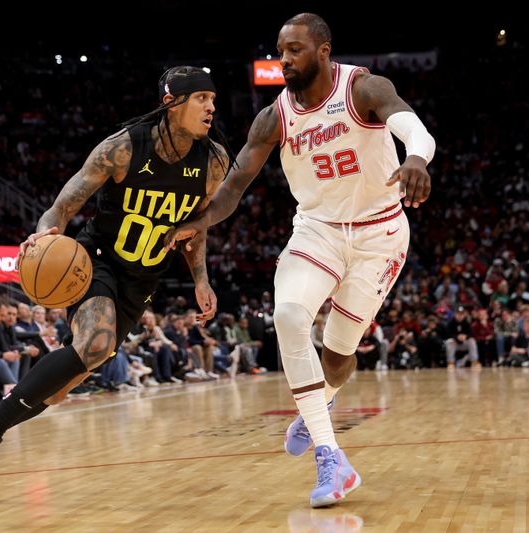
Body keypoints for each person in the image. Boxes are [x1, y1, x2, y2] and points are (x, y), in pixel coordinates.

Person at [166, 13, 435, 507]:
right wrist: (201, 220)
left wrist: (415, 158)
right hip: (318, 231)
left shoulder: (363, 89)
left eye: (294, 50)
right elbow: (233, 187)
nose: (284, 59)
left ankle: (319, 404)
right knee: (289, 316)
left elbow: (415, 128)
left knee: (338, 355)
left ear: (324, 51)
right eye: (280, 50)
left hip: (381, 235)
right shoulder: (273, 117)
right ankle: (331, 458)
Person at [0, 65, 234, 494]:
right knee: (95, 344)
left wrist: (201, 278)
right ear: (172, 103)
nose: (212, 106)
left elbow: (197, 226)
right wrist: (46, 232)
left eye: (213, 99)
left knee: (63, 386)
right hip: (97, 262)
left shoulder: (213, 161)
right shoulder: (122, 149)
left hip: (142, 281)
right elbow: (62, 206)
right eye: (201, 98)